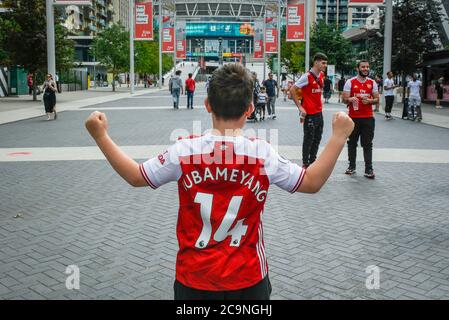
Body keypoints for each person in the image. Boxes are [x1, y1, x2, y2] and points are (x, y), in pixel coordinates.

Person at [85, 63, 354, 300]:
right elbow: (311, 182)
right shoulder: (262, 153)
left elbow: (136, 176)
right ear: (250, 108)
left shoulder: (184, 151)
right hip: (248, 278)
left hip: (195, 278)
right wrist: (339, 136)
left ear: (208, 105)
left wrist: (100, 136)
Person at [342, 60, 380, 179]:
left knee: (367, 144)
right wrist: (350, 99)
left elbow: (377, 99)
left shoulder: (372, 82)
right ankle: (351, 167)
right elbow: (344, 99)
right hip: (353, 118)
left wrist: (370, 101)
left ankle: (369, 169)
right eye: (363, 67)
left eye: (367, 67)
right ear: (357, 68)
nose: (365, 69)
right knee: (352, 143)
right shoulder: (350, 82)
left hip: (368, 118)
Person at [290, 52, 328, 169]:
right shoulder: (307, 76)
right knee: (308, 139)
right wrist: (300, 107)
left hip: (319, 113)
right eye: (323, 63)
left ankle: (313, 161)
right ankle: (306, 164)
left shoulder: (321, 75)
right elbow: (292, 89)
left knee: (317, 138)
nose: (325, 65)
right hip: (310, 114)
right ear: (316, 62)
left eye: (326, 63)